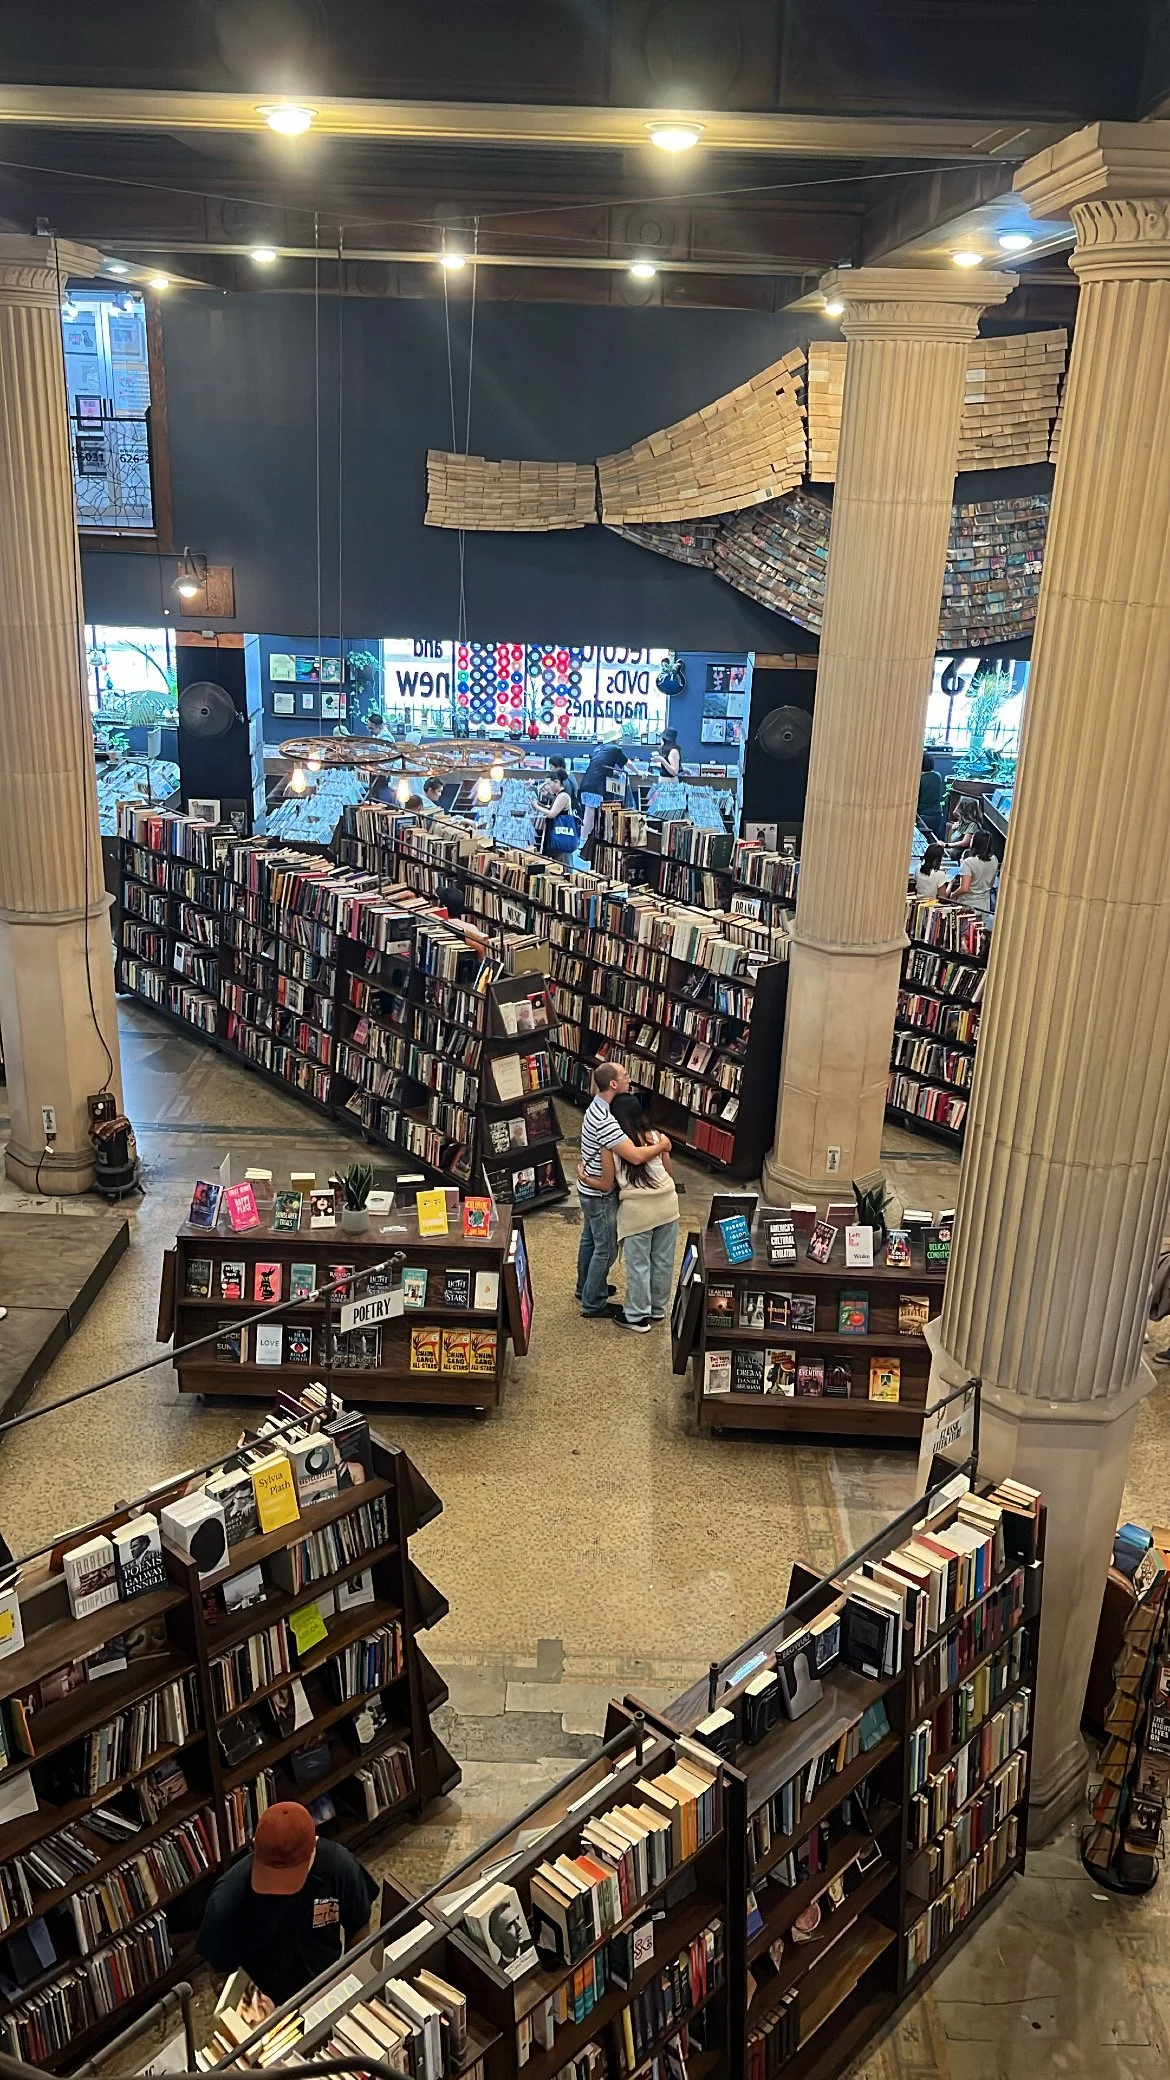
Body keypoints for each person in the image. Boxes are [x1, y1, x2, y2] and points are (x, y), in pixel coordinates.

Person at [197, 1802, 377, 2008]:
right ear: (254, 1845)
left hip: (327, 1991)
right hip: (266, 2007)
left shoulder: (340, 1867)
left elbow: (359, 1928)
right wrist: (255, 2013)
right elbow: (221, 1974)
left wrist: (350, 1989)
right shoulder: (226, 1900)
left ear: (313, 1848)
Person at [575, 1062, 670, 1318]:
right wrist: (662, 1145)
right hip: (600, 1195)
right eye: (626, 1076)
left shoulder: (595, 1106)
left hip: (588, 1188)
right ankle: (593, 1302)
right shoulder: (607, 1122)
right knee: (606, 1248)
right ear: (614, 1084)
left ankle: (585, 1287)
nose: (630, 1079)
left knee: (590, 1240)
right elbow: (637, 1157)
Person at [596, 1091, 680, 1332]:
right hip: (667, 1204)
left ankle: (635, 1315)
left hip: (637, 1212)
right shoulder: (656, 1137)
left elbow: (607, 1182)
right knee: (663, 1260)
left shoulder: (611, 1145)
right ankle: (657, 1308)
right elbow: (669, 1172)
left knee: (639, 1264)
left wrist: (583, 1178)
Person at [578, 744, 629, 856]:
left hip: (586, 783)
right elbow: (627, 763)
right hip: (595, 786)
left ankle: (585, 841)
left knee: (590, 814)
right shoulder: (616, 749)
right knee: (590, 815)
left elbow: (604, 768)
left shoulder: (599, 749)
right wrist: (639, 772)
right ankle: (582, 842)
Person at [945, 829, 999, 917]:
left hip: (968, 906)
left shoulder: (968, 862)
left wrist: (953, 895)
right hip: (984, 905)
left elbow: (965, 888)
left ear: (976, 843)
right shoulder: (994, 860)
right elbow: (991, 882)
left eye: (972, 838)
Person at [917, 754, 945, 837]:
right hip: (937, 815)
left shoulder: (920, 780)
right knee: (934, 839)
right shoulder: (938, 776)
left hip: (923, 815)